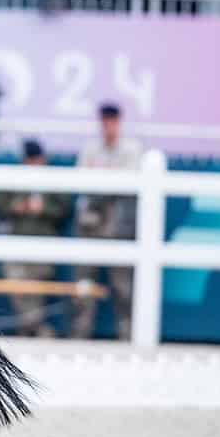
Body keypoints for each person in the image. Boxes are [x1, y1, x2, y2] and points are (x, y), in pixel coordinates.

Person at [71, 103, 144, 340]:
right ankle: (80, 334)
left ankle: (127, 335)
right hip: (91, 222)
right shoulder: (90, 149)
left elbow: (127, 185)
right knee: (84, 283)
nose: (108, 125)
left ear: (119, 122)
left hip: (118, 223)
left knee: (122, 285)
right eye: (105, 121)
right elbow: (81, 181)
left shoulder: (132, 148)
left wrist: (101, 179)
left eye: (112, 120)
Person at [0, 139, 73, 337]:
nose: (32, 163)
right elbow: (0, 206)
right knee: (17, 285)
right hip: (16, 240)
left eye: (35, 159)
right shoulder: (15, 178)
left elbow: (65, 209)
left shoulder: (51, 180)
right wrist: (17, 206)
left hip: (43, 240)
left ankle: (30, 328)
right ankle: (36, 328)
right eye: (29, 159)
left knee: (36, 288)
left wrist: (43, 209)